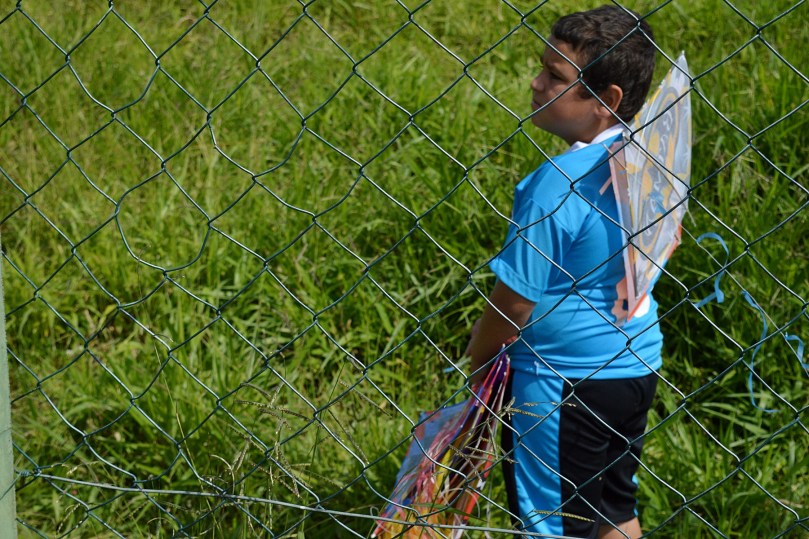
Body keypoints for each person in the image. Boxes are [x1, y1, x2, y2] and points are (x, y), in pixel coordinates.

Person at [464, 5, 661, 539]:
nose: (535, 83)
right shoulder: (649, 159)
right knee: (614, 510)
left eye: (554, 76)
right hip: (635, 366)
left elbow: (513, 304)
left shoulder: (555, 184)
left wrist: (479, 363)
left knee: (552, 527)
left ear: (606, 100)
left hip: (563, 384)